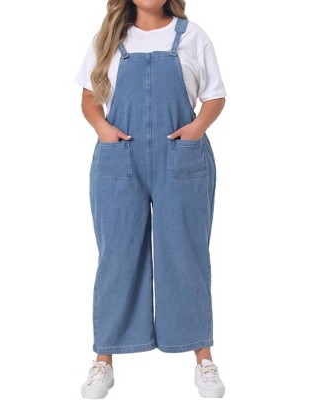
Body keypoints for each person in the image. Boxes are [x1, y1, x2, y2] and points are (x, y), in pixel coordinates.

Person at [74, 0, 227, 398]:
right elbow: (89, 97)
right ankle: (104, 360)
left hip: (181, 157)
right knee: (117, 255)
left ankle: (203, 359)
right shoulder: (108, 38)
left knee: (186, 253)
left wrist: (195, 129)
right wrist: (102, 128)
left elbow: (214, 97)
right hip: (119, 157)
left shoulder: (192, 36)